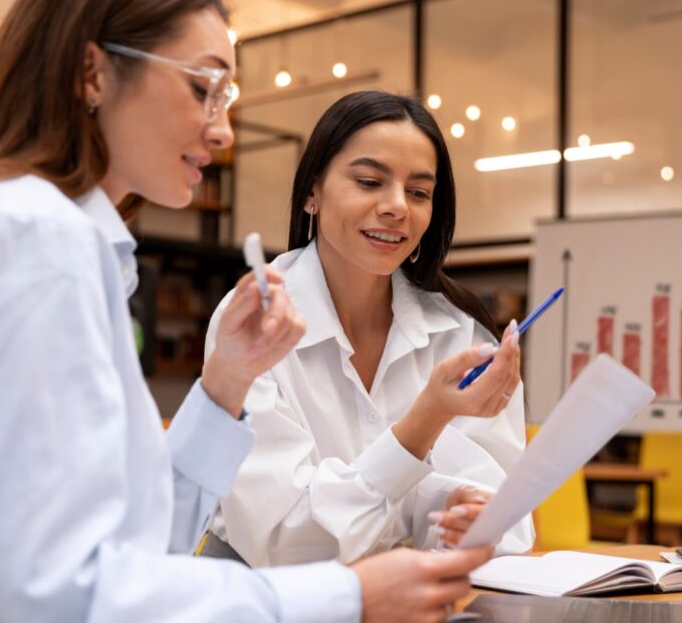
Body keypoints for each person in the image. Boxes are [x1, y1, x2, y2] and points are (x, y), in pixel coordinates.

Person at [0, 0, 491, 621]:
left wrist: (224, 386)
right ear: (94, 71)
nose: (223, 129)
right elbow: (62, 591)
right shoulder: (28, 236)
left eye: (228, 97)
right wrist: (348, 594)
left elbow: (141, 541)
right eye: (201, 87)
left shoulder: (43, 232)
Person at [177, 91, 534, 568]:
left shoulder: (460, 331)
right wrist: (423, 425)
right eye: (369, 181)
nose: (397, 207)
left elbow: (509, 521)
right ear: (312, 192)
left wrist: (462, 515)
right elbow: (283, 538)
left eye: (419, 192)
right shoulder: (253, 320)